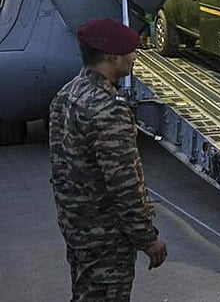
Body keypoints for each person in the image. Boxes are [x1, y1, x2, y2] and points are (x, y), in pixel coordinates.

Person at [49, 18, 167, 301]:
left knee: (84, 292)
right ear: (112, 57)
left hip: (76, 226)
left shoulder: (66, 95)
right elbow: (123, 184)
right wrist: (147, 238)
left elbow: (61, 168)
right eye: (130, 52)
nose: (134, 57)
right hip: (105, 236)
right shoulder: (107, 109)